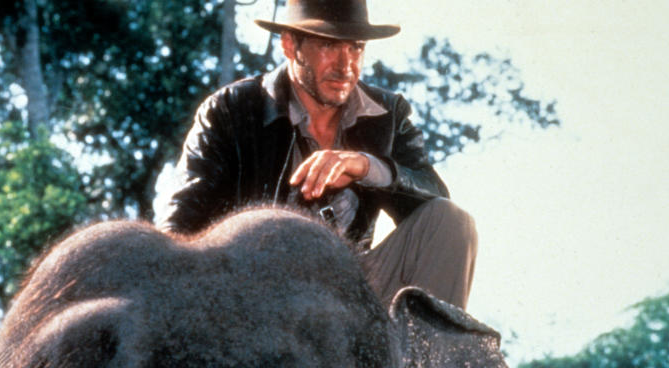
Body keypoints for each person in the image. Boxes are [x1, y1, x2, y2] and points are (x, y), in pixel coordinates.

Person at [166, 0, 478, 310]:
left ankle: (428, 361)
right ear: (291, 46)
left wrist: (368, 167)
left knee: (452, 222)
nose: (346, 66)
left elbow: (435, 198)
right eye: (329, 46)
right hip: (254, 297)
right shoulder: (231, 110)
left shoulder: (388, 115)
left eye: (355, 47)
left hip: (354, 294)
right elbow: (179, 228)